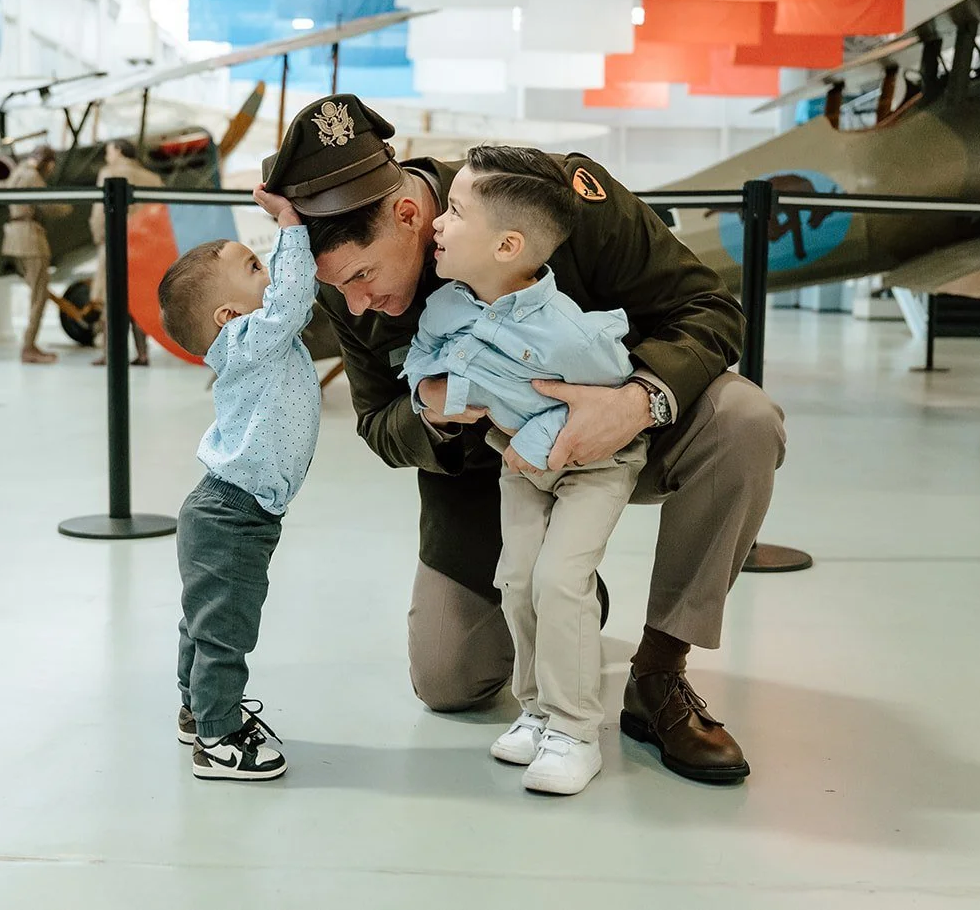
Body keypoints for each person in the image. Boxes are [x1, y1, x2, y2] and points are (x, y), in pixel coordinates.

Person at [255, 95, 786, 785]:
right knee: (450, 677)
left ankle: (658, 672)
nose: (356, 305)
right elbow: (378, 424)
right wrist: (434, 413)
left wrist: (636, 401)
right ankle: (564, 596)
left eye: (362, 277)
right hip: (489, 470)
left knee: (744, 421)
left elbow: (710, 308)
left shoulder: (543, 199)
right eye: (342, 289)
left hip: (627, 433)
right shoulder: (344, 282)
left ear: (410, 215)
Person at [402, 145, 644, 796]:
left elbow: (610, 408)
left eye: (453, 211)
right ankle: (536, 708)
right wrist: (444, 398)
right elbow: (423, 362)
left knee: (561, 581)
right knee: (516, 580)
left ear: (508, 245)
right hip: (519, 465)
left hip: (589, 463)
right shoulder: (450, 306)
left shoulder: (571, 334)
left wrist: (535, 437)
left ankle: (576, 728)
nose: (437, 225)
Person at [158, 188, 320, 782]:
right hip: (232, 513)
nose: (269, 269)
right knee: (225, 629)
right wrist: (290, 225)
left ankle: (196, 708)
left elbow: (290, 298)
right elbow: (293, 299)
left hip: (228, 507)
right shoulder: (249, 341)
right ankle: (220, 735)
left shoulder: (258, 342)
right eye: (254, 267)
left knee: (204, 620)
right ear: (229, 316)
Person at [93, 139, 164, 366]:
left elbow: (99, 212)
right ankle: (143, 354)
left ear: (118, 150)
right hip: (144, 247)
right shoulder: (152, 178)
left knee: (111, 299)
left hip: (116, 242)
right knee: (139, 298)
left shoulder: (109, 172)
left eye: (108, 150)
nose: (106, 156)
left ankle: (111, 354)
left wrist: (98, 237)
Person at [1, 146, 58, 364]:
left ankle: (29, 344)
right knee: (39, 295)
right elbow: (50, 206)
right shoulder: (33, 176)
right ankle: (29, 346)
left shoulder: (17, 172)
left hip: (13, 238)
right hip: (30, 239)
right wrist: (71, 206)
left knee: (36, 293)